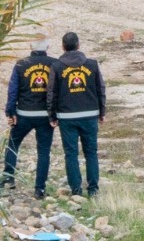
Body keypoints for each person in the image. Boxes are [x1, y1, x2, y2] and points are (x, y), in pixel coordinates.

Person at [49, 32, 105, 196]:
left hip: (67, 117)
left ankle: (76, 190)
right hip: (89, 115)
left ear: (63, 47)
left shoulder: (57, 67)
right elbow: (100, 89)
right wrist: (102, 111)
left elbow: (52, 93)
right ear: (79, 45)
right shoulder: (92, 65)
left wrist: (52, 115)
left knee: (71, 154)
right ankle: (93, 189)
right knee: (91, 152)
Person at [3, 38, 55, 198]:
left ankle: (8, 177)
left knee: (13, 144)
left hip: (24, 114)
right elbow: (57, 92)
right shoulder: (54, 63)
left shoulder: (21, 64)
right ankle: (39, 189)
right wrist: (55, 114)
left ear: (30, 46)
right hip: (45, 116)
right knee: (44, 151)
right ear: (48, 46)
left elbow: (13, 91)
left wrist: (10, 112)